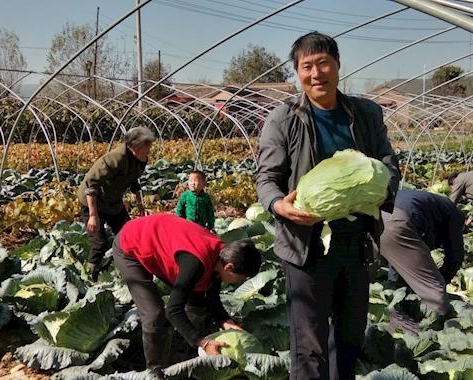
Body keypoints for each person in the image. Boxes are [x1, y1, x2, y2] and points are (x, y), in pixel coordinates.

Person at [256, 31, 401, 380]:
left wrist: (385, 187)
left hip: (355, 243)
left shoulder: (365, 113)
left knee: (350, 338)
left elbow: (387, 161)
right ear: (297, 72)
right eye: (307, 66)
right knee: (309, 344)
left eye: (323, 63)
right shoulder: (284, 118)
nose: (316, 73)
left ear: (337, 65)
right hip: (306, 248)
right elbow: (266, 178)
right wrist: (279, 206)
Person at [111, 213, 262, 372]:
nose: (239, 282)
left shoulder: (221, 256)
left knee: (197, 302)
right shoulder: (196, 263)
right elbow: (173, 310)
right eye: (240, 278)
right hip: (130, 244)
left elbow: (212, 299)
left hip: (158, 241)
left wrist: (228, 323)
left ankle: (184, 356)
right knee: (154, 313)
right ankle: (155, 371)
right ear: (229, 267)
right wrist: (204, 343)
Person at [77, 126, 155, 281]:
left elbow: (134, 182)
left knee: (128, 234)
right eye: (147, 148)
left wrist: (140, 206)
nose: (148, 151)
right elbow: (91, 185)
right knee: (99, 242)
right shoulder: (114, 159)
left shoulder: (140, 160)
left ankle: (125, 268)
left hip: (113, 202)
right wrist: (93, 215)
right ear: (136, 147)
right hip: (93, 201)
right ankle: (89, 277)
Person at [380, 189, 465, 315]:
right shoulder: (454, 215)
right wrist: (440, 280)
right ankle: (438, 324)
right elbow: (455, 255)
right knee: (434, 292)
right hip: (399, 218)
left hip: (372, 216)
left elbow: (401, 253)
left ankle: (392, 300)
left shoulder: (432, 203)